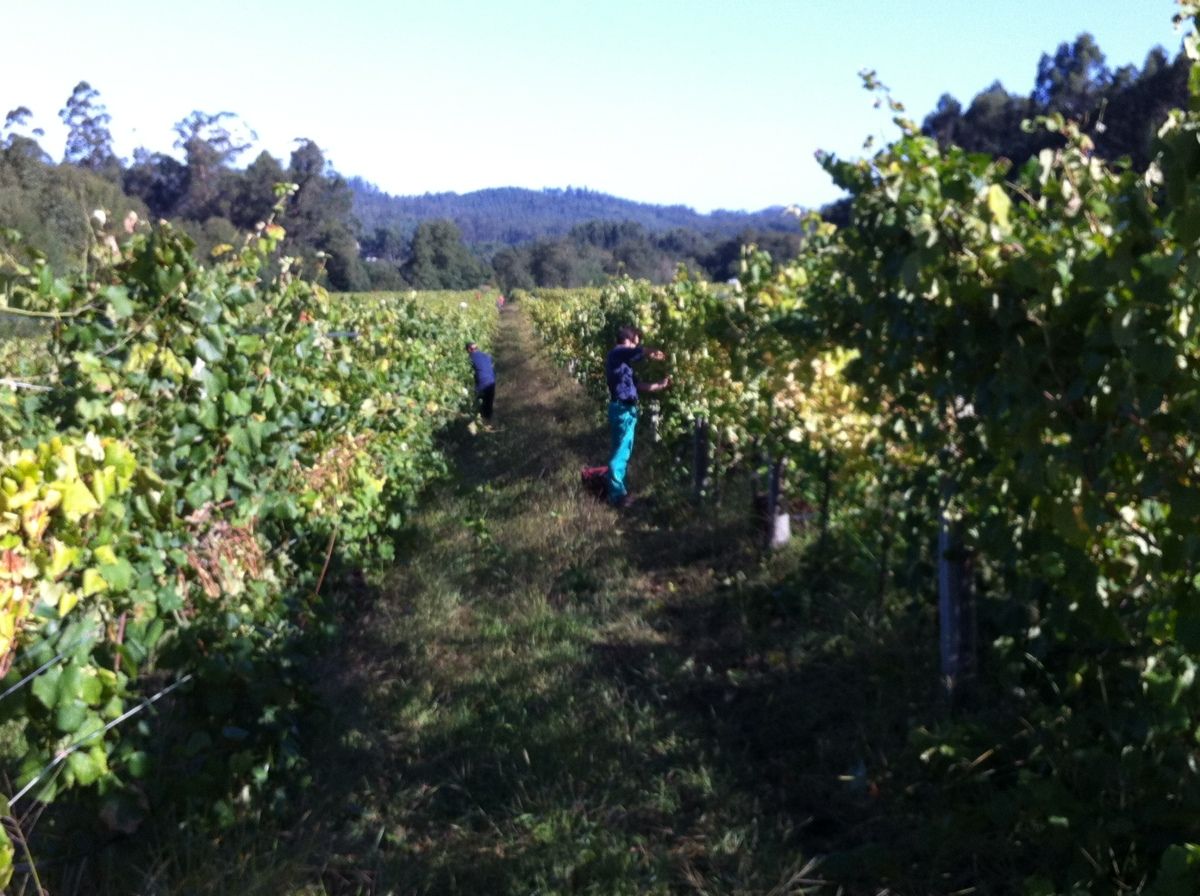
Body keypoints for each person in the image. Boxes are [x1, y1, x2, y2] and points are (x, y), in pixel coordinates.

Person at [604, 325, 670, 507]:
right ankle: (617, 496)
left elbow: (637, 386)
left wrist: (659, 385)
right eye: (635, 343)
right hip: (622, 409)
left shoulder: (622, 363)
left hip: (625, 410)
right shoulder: (617, 353)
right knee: (621, 452)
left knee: (623, 450)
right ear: (628, 340)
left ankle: (617, 490)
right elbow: (636, 352)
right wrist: (653, 352)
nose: (636, 347)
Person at [465, 341, 495, 423]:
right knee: (488, 406)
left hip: (482, 385)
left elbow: (468, 373)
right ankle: (488, 423)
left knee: (479, 406)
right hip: (492, 383)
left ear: (468, 350)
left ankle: (479, 423)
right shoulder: (486, 356)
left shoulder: (470, 359)